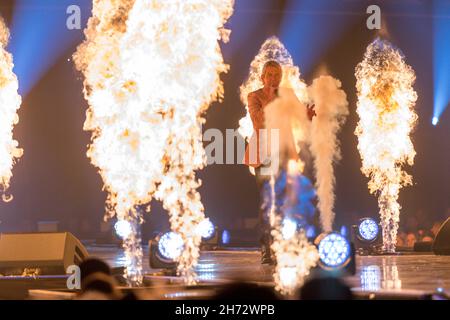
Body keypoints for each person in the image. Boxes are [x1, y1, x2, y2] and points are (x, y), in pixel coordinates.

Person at [243, 60, 315, 264]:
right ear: (262, 77)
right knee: (270, 200)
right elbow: (258, 123)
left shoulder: (287, 95)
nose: (273, 79)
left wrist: (307, 116)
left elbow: (301, 116)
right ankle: (266, 248)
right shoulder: (254, 96)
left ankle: (285, 246)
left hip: (284, 152)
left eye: (277, 75)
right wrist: (275, 101)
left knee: (287, 200)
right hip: (263, 154)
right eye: (270, 75)